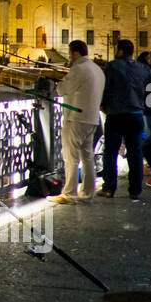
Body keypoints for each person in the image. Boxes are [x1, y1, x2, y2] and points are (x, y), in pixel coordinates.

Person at [100, 38, 151, 199]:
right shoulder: (143, 68)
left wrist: (103, 104)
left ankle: (109, 188)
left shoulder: (112, 66)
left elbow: (106, 87)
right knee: (135, 153)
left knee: (111, 152)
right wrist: (148, 103)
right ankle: (135, 190)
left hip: (116, 114)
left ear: (119, 51)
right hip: (136, 115)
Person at [51, 39, 104, 203]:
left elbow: (61, 90)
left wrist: (57, 82)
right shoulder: (97, 70)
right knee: (87, 157)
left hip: (76, 119)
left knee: (71, 157)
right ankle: (87, 193)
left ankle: (69, 194)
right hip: (92, 119)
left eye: (70, 53)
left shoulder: (79, 69)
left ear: (75, 53)